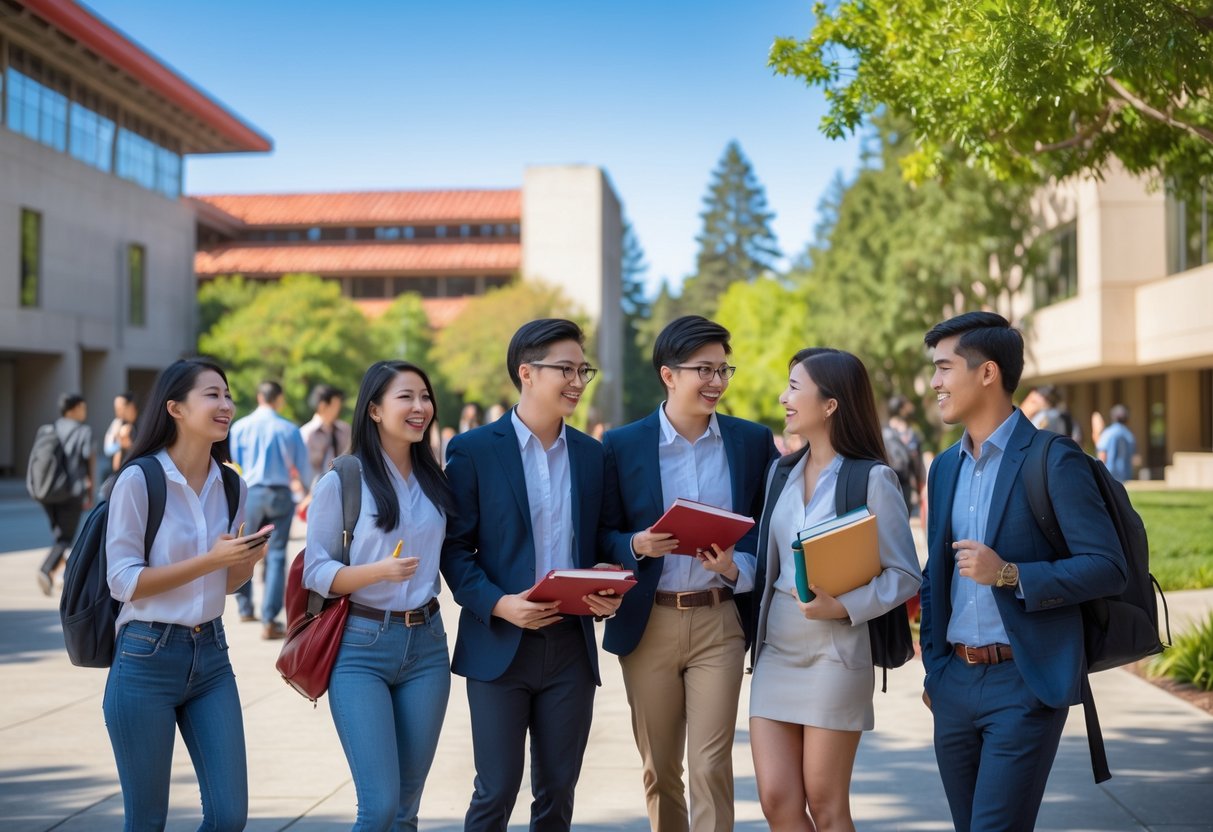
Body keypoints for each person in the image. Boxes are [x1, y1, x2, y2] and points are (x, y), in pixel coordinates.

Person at [920, 312, 1127, 831]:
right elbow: (935, 577)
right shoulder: (945, 467)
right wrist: (936, 671)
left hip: (1023, 681)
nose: (935, 382)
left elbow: (1107, 567)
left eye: (944, 369)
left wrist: (1010, 573)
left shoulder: (1053, 458)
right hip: (953, 684)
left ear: (987, 372)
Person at [440, 318, 623, 832]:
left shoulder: (591, 453)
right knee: (495, 790)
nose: (577, 381)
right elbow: (454, 550)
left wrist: (611, 580)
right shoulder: (474, 450)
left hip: (569, 645)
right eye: (564, 369)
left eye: (582, 370)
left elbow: (604, 536)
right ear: (526, 372)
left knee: (558, 792)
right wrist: (500, 604)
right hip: (499, 643)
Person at [598, 315, 778, 832]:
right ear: (668, 374)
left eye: (724, 370)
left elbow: (765, 528)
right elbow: (602, 533)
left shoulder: (750, 441)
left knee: (710, 765)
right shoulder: (622, 444)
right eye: (704, 369)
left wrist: (736, 566)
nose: (716, 382)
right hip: (648, 623)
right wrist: (634, 543)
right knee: (660, 771)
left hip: (719, 623)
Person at [749, 348, 921, 832]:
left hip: (836, 654)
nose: (784, 397)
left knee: (826, 804)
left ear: (830, 405)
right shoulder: (780, 472)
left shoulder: (872, 478)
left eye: (794, 388)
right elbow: (772, 567)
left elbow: (906, 574)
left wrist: (842, 607)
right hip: (776, 651)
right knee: (777, 800)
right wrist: (732, 569)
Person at [103, 358, 269, 831]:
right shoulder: (139, 479)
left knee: (229, 816)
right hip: (145, 657)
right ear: (175, 408)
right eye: (212, 394)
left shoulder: (232, 483)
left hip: (212, 656)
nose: (226, 405)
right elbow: (124, 581)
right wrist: (212, 561)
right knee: (148, 820)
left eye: (228, 395)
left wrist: (242, 565)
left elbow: (226, 584)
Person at [303, 361, 454, 830]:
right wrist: (375, 572)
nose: (419, 407)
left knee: (407, 809)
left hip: (427, 646)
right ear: (373, 410)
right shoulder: (343, 481)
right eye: (405, 397)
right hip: (360, 648)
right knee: (380, 804)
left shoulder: (436, 481)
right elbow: (316, 570)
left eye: (425, 396)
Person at [229, 380, 311, 638]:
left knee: (244, 550)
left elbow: (234, 463)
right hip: (280, 494)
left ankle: (244, 607)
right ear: (279, 399)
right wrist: (308, 490)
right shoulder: (288, 428)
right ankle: (269, 619)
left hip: (250, 492)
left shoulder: (240, 427)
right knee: (275, 555)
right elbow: (303, 468)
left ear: (258, 397)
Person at [36, 392, 94, 594]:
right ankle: (46, 569)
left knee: (59, 535)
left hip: (47, 491)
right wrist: (90, 492)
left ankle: (59, 575)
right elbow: (88, 459)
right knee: (65, 538)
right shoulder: (83, 431)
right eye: (83, 408)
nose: (85, 412)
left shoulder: (48, 428)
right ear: (74, 409)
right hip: (71, 492)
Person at [299, 383, 351, 486]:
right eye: (335, 405)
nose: (339, 408)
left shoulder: (345, 430)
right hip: (314, 491)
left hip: (342, 489)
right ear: (322, 406)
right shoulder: (307, 433)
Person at [883, 394, 927, 514]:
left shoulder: (886, 432)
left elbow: (917, 459)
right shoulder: (890, 433)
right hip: (896, 482)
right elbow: (917, 460)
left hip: (900, 482)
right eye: (905, 406)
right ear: (900, 409)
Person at [1096, 404, 1137, 483]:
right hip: (1125, 477)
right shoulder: (1129, 435)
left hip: (1109, 476)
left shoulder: (1108, 433)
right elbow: (1133, 457)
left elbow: (1102, 454)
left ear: (1113, 417)